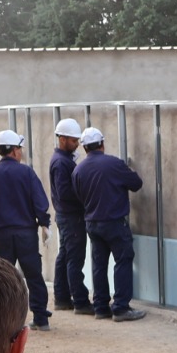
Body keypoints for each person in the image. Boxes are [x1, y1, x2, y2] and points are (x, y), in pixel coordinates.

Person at [0, 130, 54, 331]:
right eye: (19, 148)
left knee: (2, 280)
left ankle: (4, 323)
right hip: (25, 234)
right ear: (13, 150)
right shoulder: (26, 172)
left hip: (1, 235)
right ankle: (40, 318)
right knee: (34, 276)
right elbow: (40, 201)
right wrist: (45, 225)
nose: (21, 152)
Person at [72, 126, 147, 322]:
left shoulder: (78, 170)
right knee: (123, 259)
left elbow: (78, 195)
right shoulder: (114, 164)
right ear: (102, 145)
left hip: (92, 223)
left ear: (85, 148)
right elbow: (136, 184)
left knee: (99, 265)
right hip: (114, 222)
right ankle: (121, 308)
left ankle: (100, 307)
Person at [48, 119, 91, 314]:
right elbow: (65, 193)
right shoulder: (61, 163)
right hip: (71, 217)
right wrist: (85, 196)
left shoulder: (62, 161)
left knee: (64, 256)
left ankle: (62, 297)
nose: (77, 144)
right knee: (74, 258)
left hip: (66, 217)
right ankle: (80, 301)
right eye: (74, 140)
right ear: (63, 139)